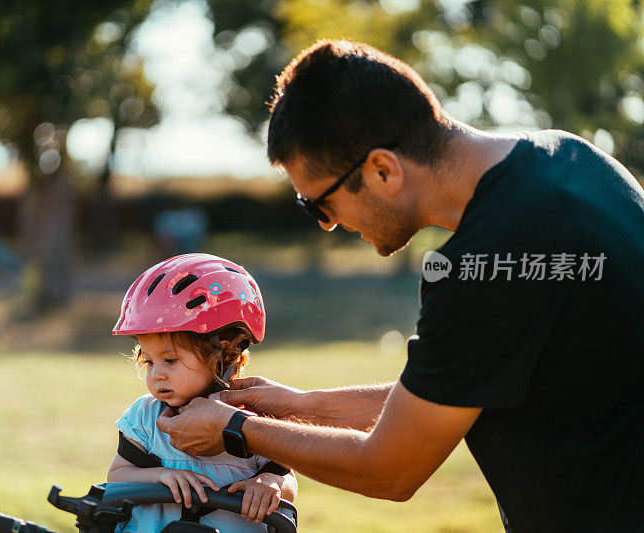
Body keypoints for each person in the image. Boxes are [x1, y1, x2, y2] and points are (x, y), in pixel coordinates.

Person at [156, 40, 644, 532]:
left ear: (383, 170)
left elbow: (390, 468)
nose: (326, 225)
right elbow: (450, 389)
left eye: (317, 203)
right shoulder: (575, 163)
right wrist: (290, 404)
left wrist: (238, 430)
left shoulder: (483, 266)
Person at [107, 253, 298, 533]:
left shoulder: (253, 418)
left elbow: (287, 479)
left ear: (225, 354)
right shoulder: (145, 417)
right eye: (149, 361)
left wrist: (269, 482)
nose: (157, 374)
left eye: (170, 360)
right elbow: (117, 477)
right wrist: (161, 475)